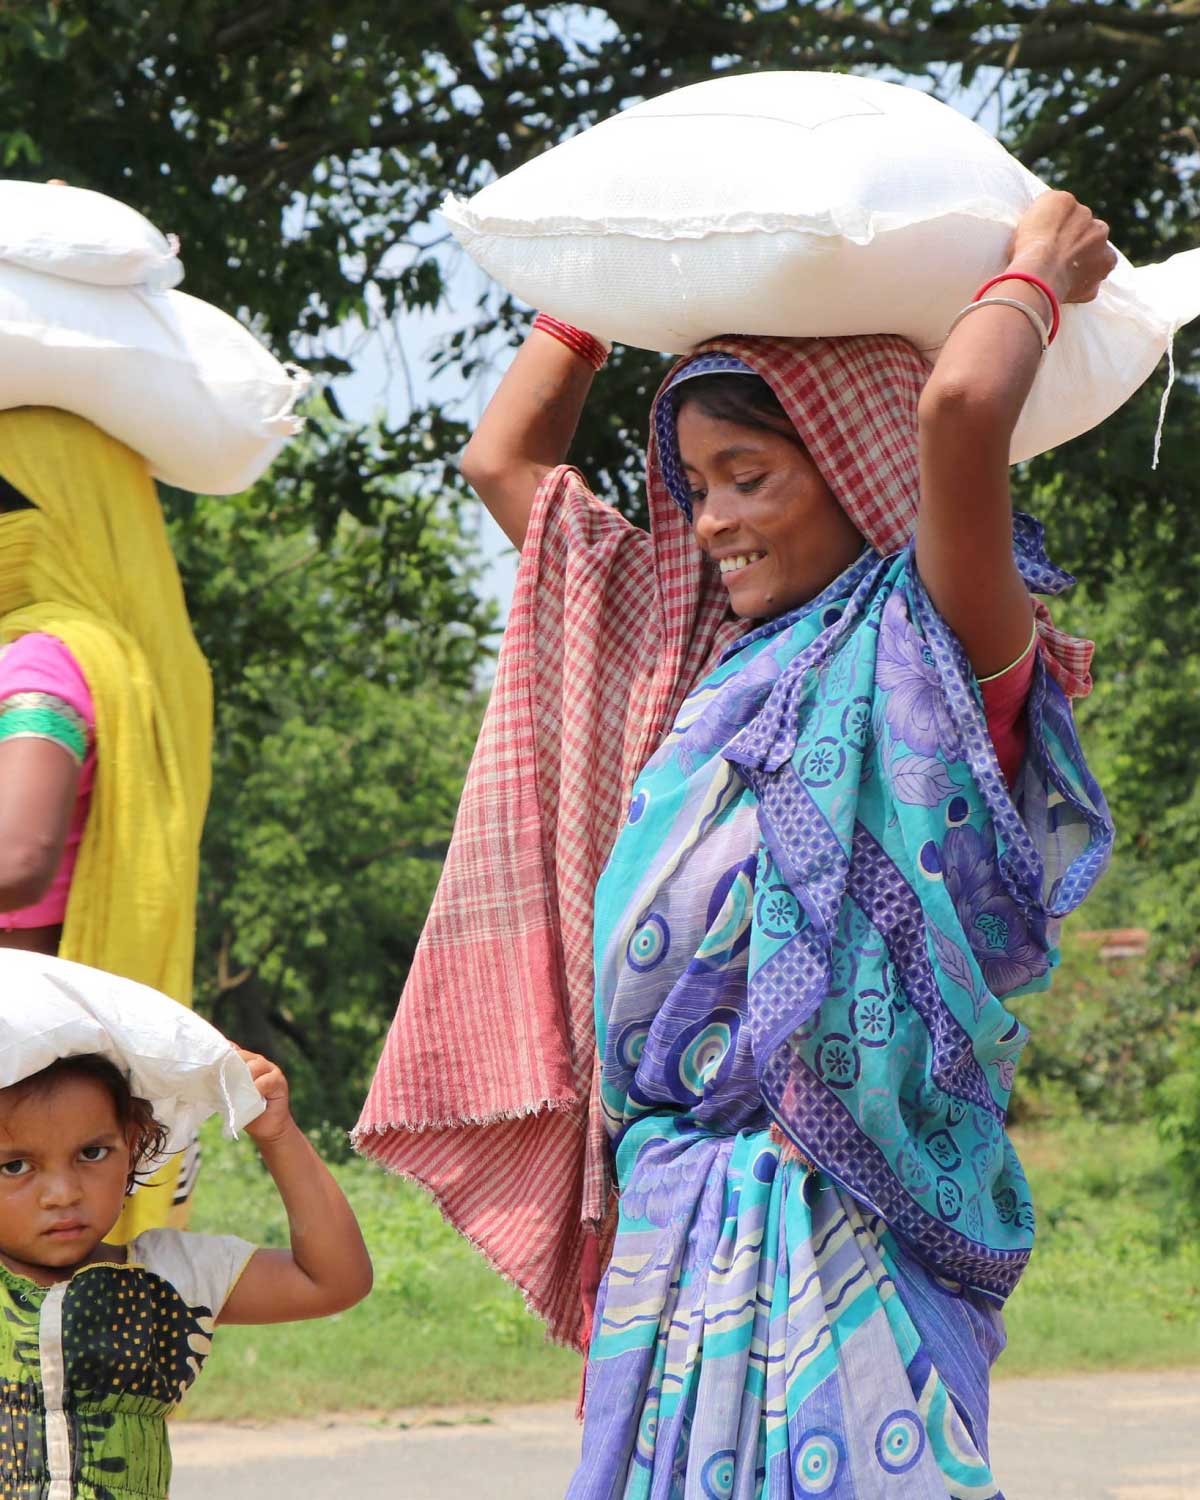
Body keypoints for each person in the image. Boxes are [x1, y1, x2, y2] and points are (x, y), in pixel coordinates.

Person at [356, 191, 1116, 1497]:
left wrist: (1037, 269)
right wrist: (604, 274)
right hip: (674, 1223)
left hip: (858, 1227)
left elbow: (959, 413)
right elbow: (501, 464)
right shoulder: (685, 661)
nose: (710, 521)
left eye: (749, 478)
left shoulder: (936, 645)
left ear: (859, 469)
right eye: (694, 485)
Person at [0, 407, 212, 1236]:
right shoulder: (128, 660)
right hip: (76, 1047)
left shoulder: (41, 657)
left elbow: (18, 854)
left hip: (19, 1048)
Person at [0, 1036, 372, 1499]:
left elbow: (333, 1280)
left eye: (92, 1154)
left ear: (133, 1147)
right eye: (15, 1166)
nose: (63, 1193)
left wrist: (277, 1135)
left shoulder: (169, 1276)